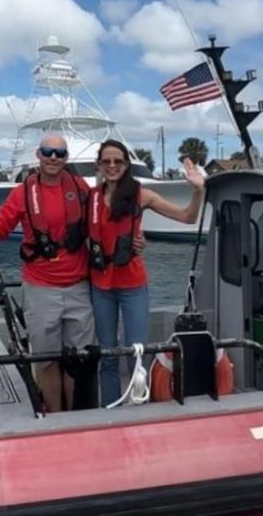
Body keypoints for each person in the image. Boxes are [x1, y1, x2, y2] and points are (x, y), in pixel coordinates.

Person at [0, 133, 94, 412]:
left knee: (78, 360)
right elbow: (0, 223)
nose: (53, 157)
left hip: (79, 287)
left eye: (59, 153)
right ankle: (54, 416)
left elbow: (102, 222)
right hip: (41, 288)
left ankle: (75, 416)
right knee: (46, 359)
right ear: (38, 155)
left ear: (66, 159)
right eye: (47, 151)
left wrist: (134, 237)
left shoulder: (81, 188)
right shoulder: (22, 192)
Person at [90, 139, 204, 407]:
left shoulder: (142, 195)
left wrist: (198, 191)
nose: (112, 165)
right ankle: (111, 408)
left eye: (118, 160)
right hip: (100, 286)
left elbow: (188, 217)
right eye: (106, 161)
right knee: (107, 354)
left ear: (126, 164)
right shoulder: (91, 199)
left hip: (132, 286)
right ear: (99, 164)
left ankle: (137, 407)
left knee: (136, 351)